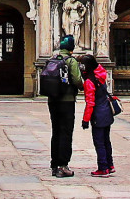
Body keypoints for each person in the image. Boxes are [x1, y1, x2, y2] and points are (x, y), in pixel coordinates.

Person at [45, 35, 84, 178]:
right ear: (71, 48)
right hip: (66, 101)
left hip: (52, 100)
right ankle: (63, 165)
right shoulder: (71, 61)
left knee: (56, 131)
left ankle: (54, 165)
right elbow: (77, 80)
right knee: (66, 132)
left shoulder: (52, 59)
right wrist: (82, 86)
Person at [78, 53, 115, 178]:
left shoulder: (89, 82)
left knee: (99, 142)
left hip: (98, 115)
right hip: (107, 112)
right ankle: (110, 165)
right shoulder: (101, 74)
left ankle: (103, 168)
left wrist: (85, 120)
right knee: (106, 141)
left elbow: (90, 103)